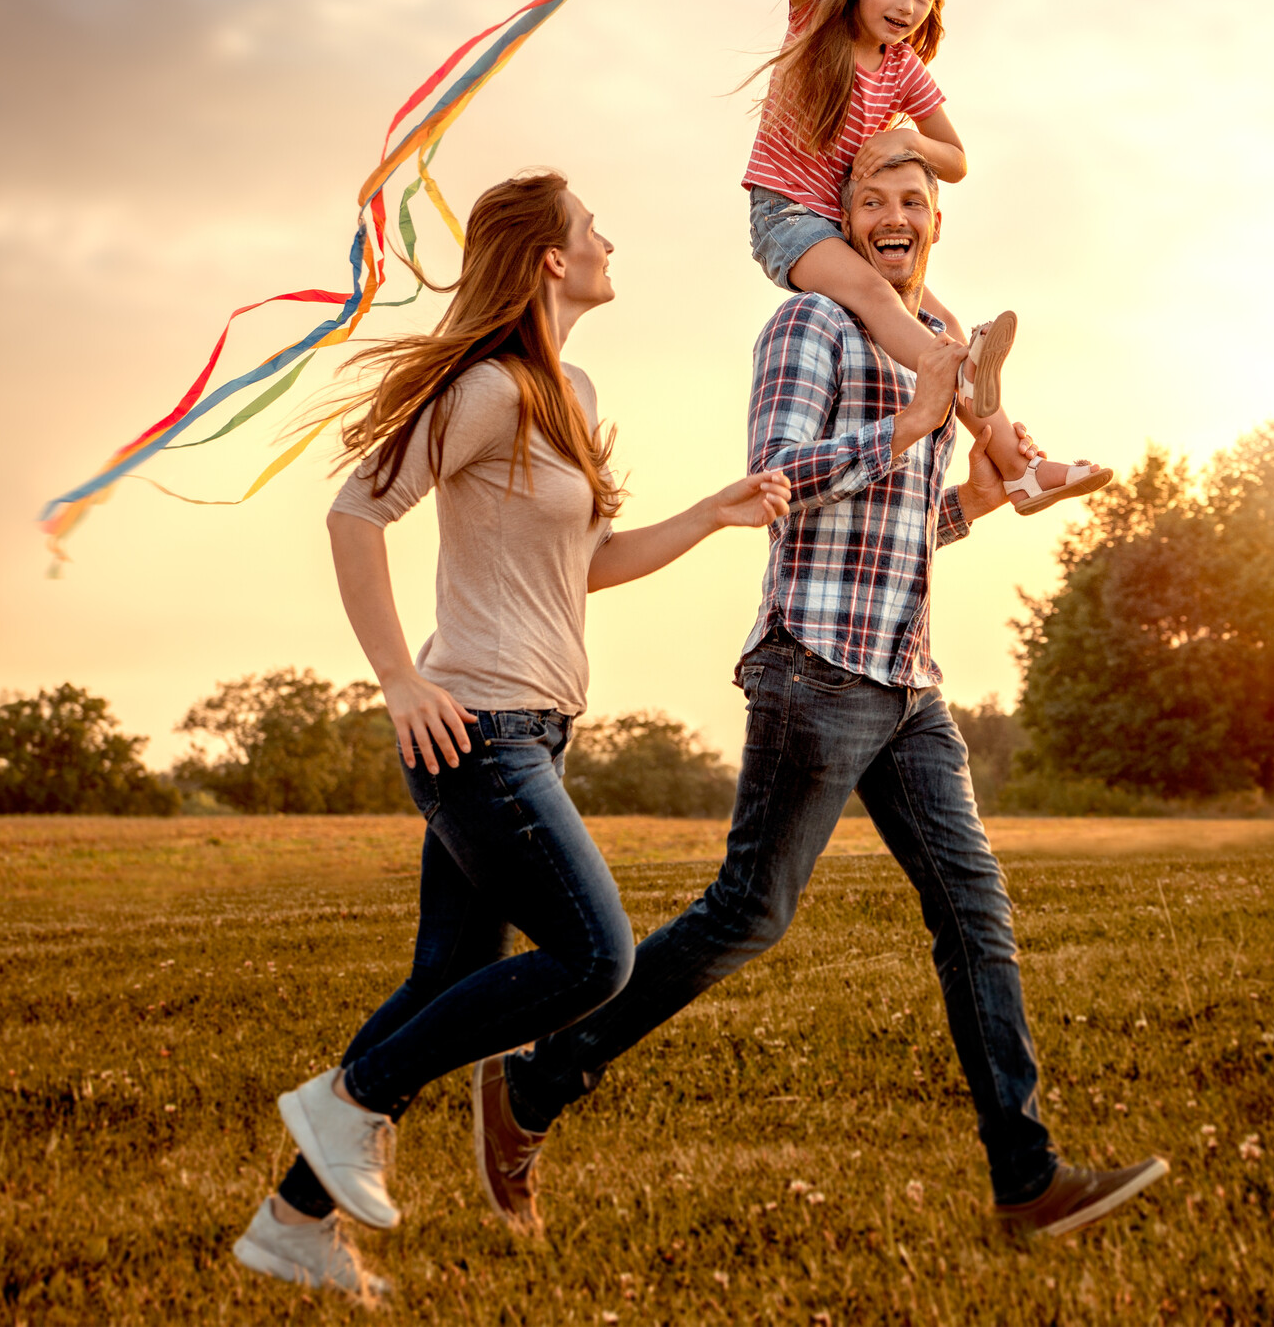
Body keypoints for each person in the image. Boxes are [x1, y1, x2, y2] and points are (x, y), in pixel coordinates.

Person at [479, 150, 1166, 1239]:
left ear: (935, 226)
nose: (895, 218)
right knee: (748, 913)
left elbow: (902, 530)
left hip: (908, 677)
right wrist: (911, 424)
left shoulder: (926, 347)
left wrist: (980, 498)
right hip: (815, 668)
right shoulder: (810, 329)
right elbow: (778, 483)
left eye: (914, 204)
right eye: (872, 203)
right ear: (840, 225)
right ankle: (534, 1085)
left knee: (975, 914)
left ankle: (1025, 1183)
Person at [229, 169, 792, 1297]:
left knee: (448, 974)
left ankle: (290, 1225)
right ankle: (350, 1100)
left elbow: (585, 567)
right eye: (592, 228)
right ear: (549, 257)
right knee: (596, 957)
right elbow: (357, 509)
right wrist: (398, 678)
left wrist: (710, 514)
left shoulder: (565, 389)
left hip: (533, 725)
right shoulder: (486, 386)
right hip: (473, 726)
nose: (608, 240)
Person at [730, 0, 1111, 519]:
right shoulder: (816, 21)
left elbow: (956, 157)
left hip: (842, 229)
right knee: (883, 304)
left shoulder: (903, 69)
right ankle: (957, 372)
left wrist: (909, 142)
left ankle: (1020, 470)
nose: (906, 4)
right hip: (786, 218)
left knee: (944, 323)